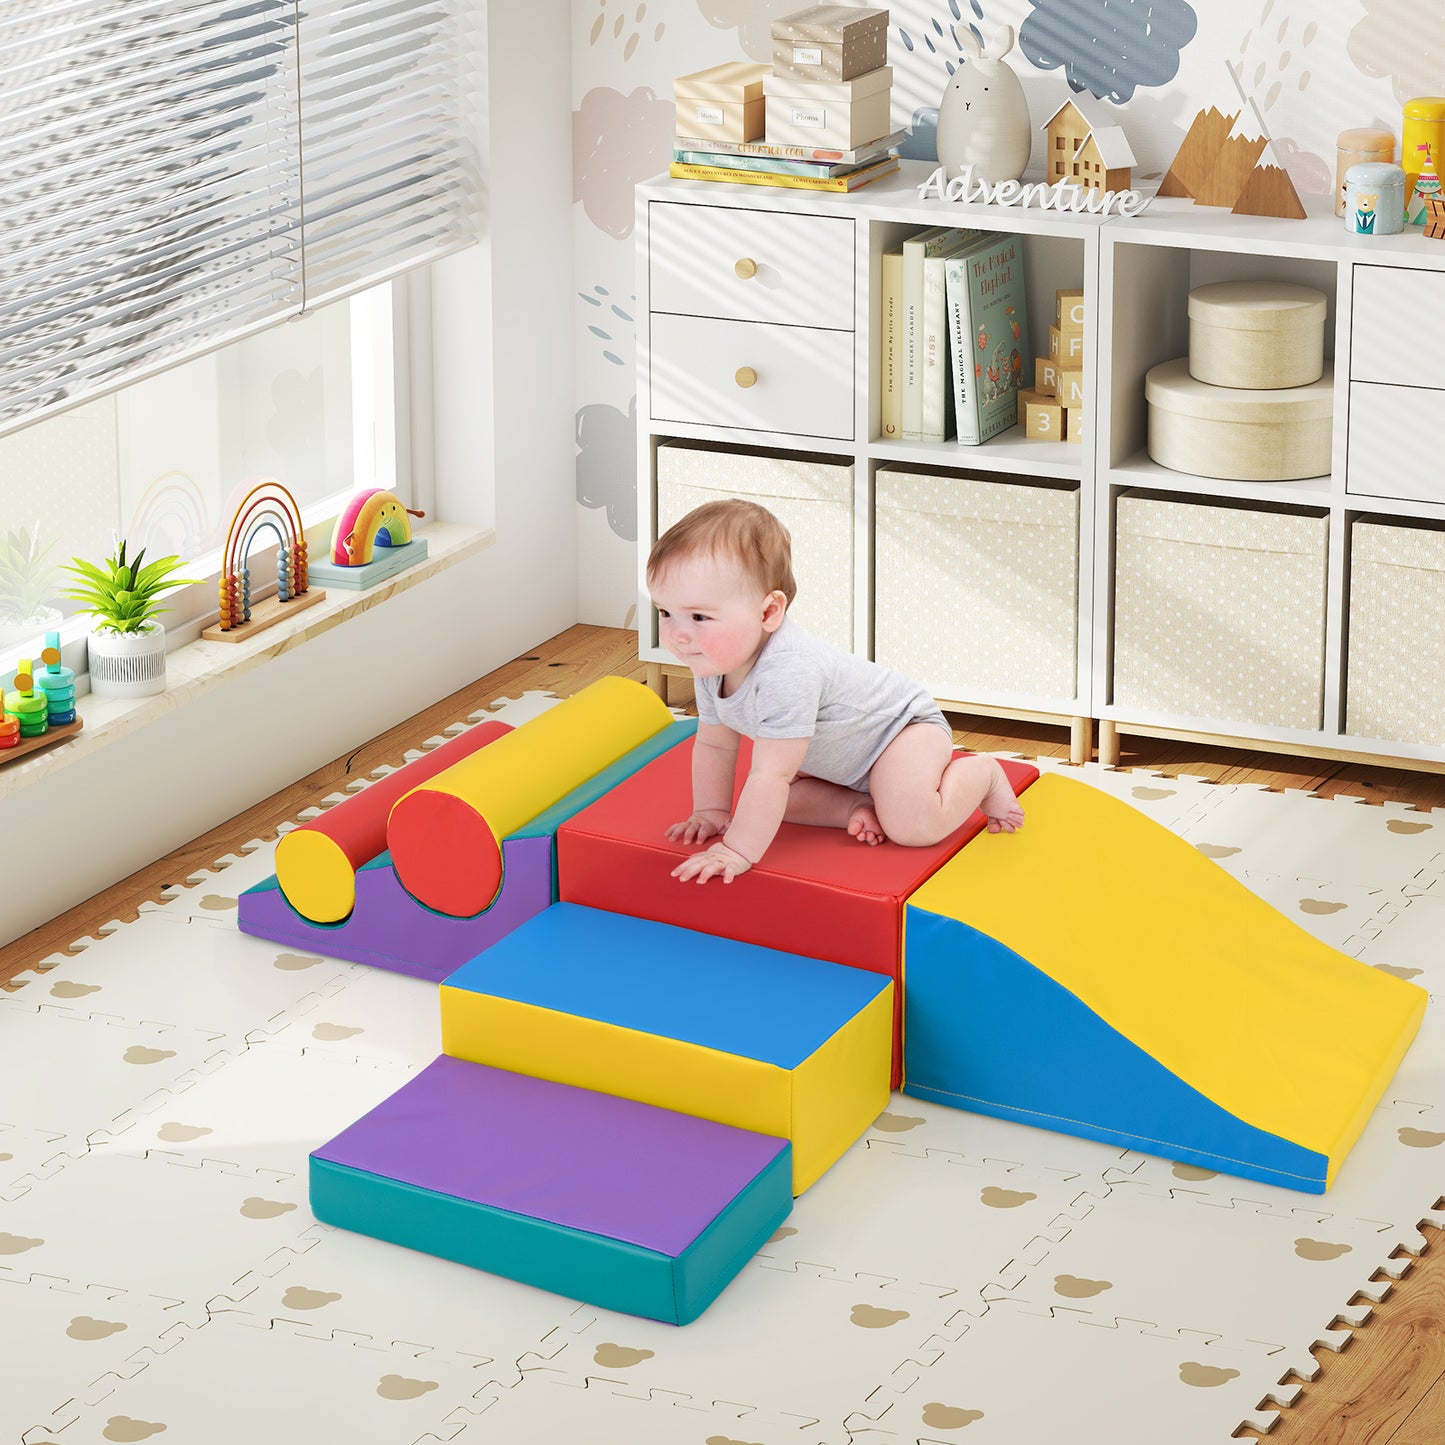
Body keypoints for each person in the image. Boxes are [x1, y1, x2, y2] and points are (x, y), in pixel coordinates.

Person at [646, 498, 1024, 885]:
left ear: (768, 613)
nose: (678, 634)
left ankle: (983, 774)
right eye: (665, 612)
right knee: (772, 802)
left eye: (698, 617)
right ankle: (857, 805)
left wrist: (737, 849)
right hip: (839, 762)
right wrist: (711, 811)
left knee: (913, 826)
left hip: (900, 733)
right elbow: (715, 745)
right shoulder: (711, 660)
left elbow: (773, 773)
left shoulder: (788, 671)